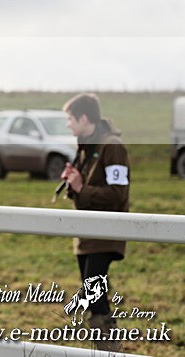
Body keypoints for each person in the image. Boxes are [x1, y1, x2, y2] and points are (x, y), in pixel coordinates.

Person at [61, 93, 129, 351]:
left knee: (94, 297)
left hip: (105, 235)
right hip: (87, 235)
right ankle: (107, 348)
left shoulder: (111, 146)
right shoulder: (86, 145)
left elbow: (118, 194)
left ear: (84, 118)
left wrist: (81, 186)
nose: (68, 125)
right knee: (95, 297)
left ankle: (110, 350)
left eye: (70, 119)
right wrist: (73, 183)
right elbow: (84, 188)